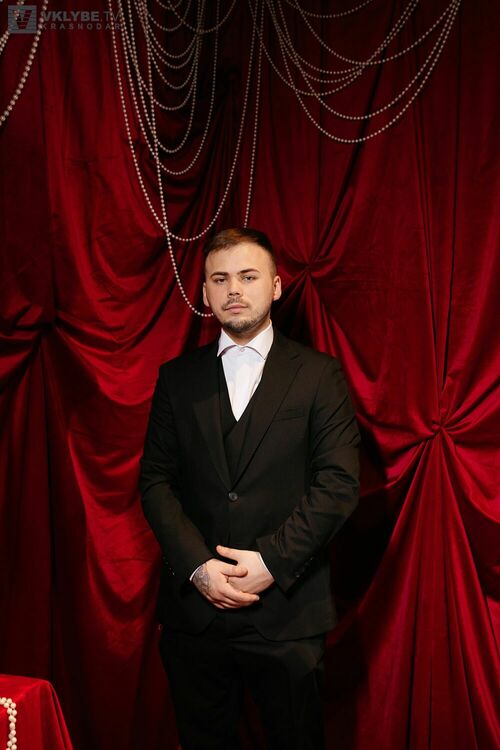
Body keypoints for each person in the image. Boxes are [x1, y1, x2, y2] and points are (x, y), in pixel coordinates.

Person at [139, 228, 361, 750]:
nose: (233, 289)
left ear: (276, 286)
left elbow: (338, 484)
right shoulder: (176, 378)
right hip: (196, 616)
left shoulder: (320, 376)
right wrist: (198, 567)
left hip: (288, 612)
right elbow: (155, 481)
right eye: (220, 279)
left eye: (247, 276)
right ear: (205, 292)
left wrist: (271, 563)